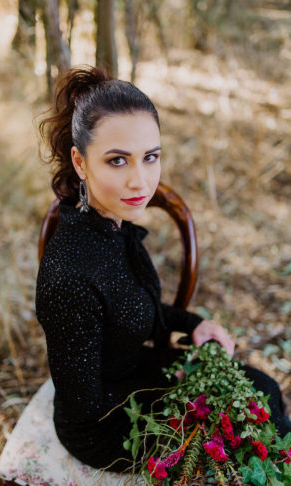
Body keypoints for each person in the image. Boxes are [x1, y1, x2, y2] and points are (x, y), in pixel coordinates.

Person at [35, 64, 291, 474]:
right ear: (80, 163)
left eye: (150, 157)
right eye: (118, 161)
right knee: (256, 413)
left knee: (264, 392)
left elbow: (131, 309)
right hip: (108, 427)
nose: (141, 181)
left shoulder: (110, 226)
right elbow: (86, 407)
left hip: (137, 376)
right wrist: (187, 393)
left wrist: (192, 325)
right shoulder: (70, 277)